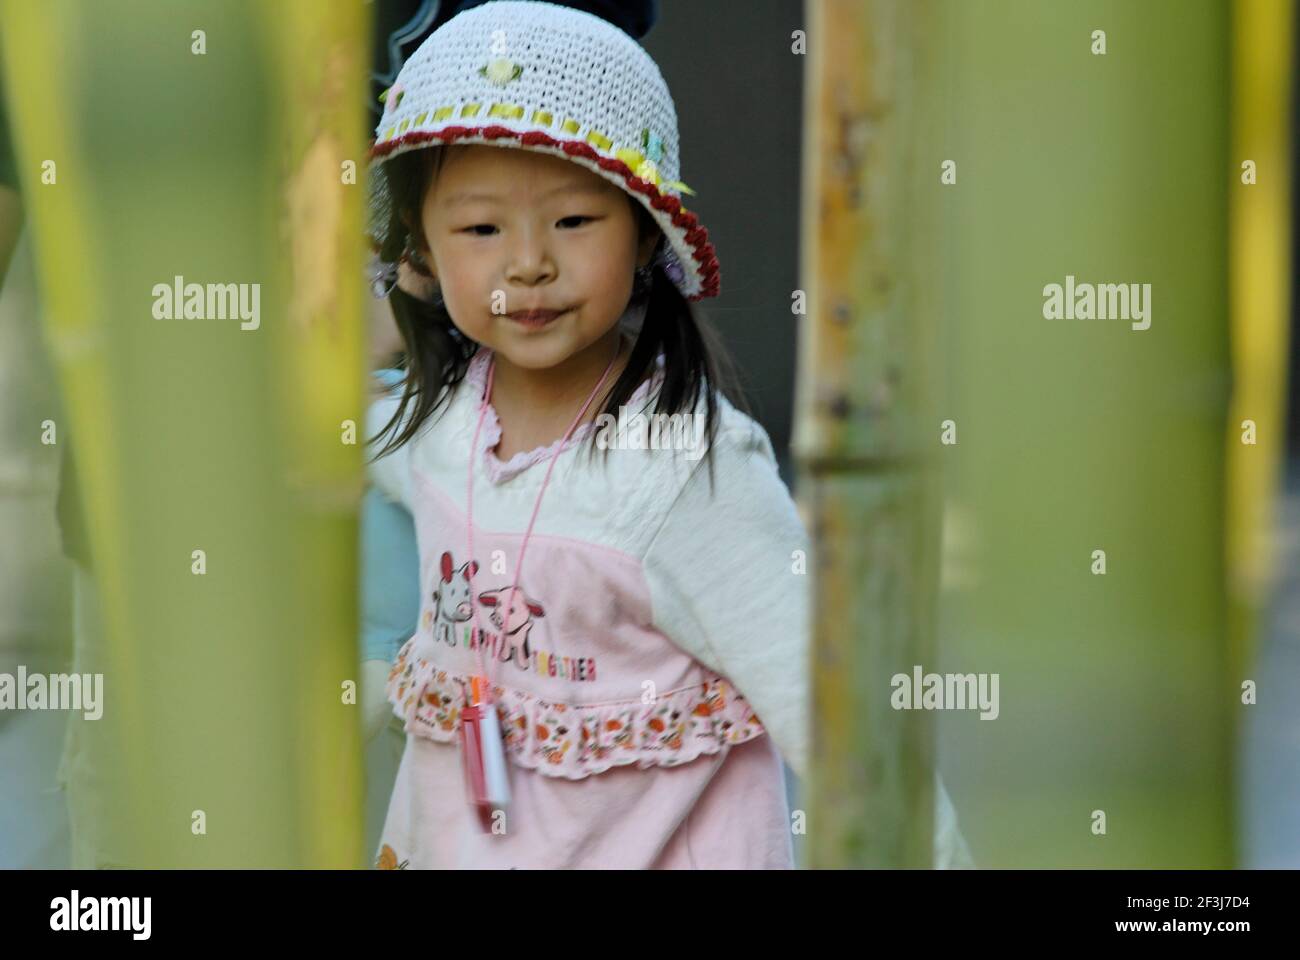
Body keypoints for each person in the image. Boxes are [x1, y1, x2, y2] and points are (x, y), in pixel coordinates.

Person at [364, 0, 971, 868]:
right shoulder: (447, 425)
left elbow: (836, 720)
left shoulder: (682, 471)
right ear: (422, 250)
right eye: (480, 228)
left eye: (575, 220)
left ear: (646, 230)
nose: (528, 261)